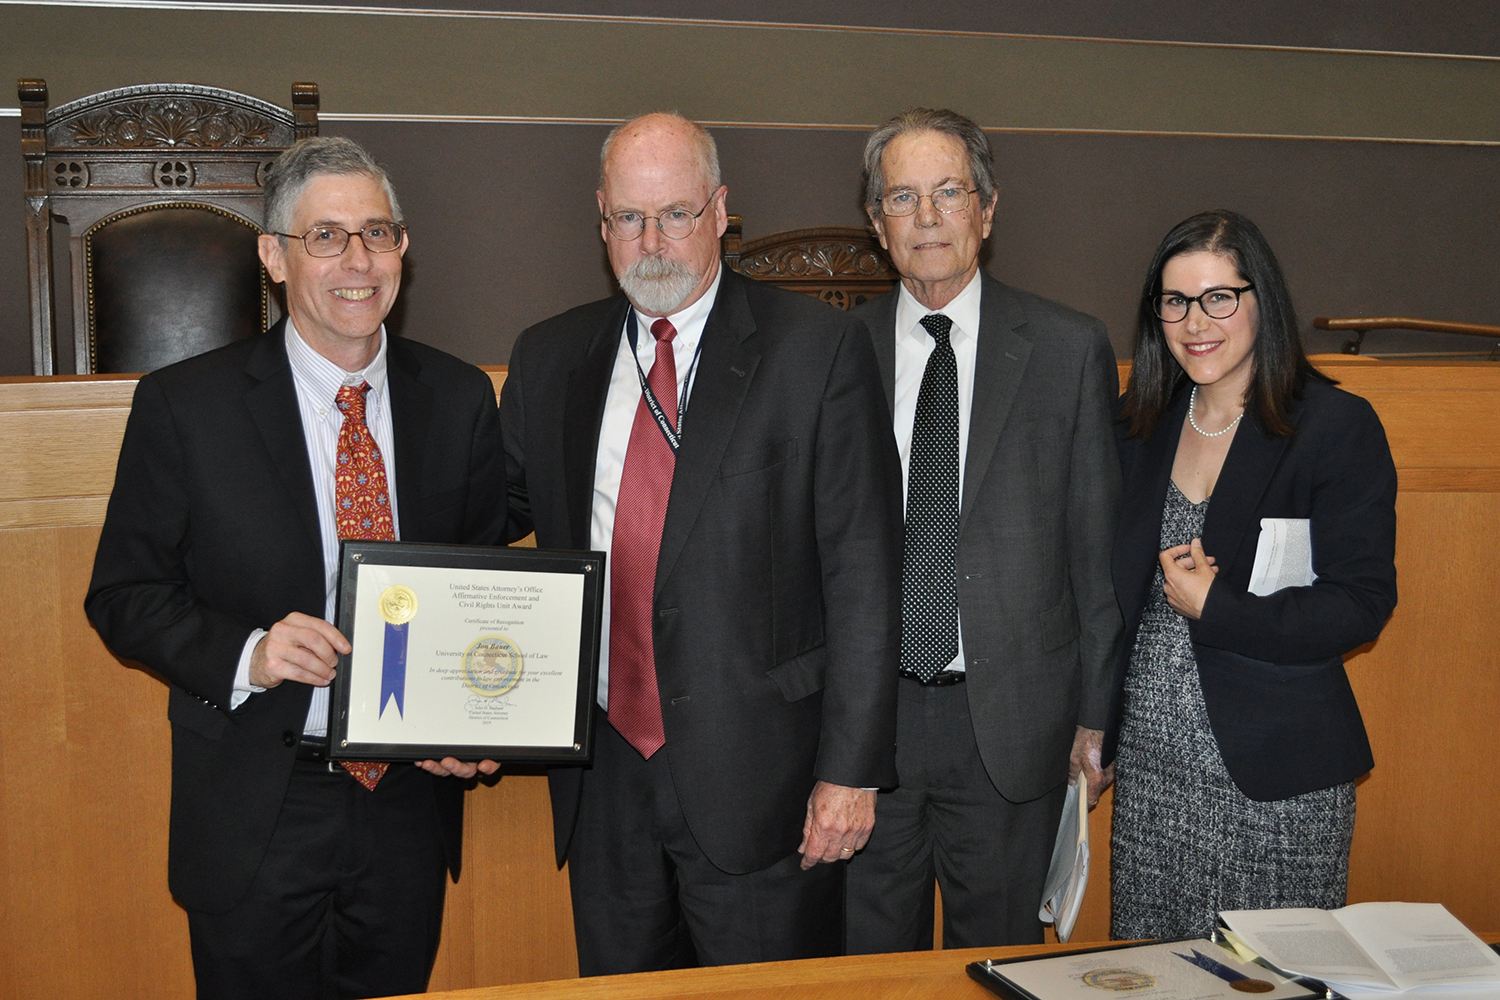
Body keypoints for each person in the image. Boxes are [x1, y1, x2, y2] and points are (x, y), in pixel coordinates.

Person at [84, 136, 505, 999]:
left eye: (377, 233)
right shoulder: (185, 407)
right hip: (257, 799)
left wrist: (472, 723)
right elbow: (124, 596)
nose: (358, 260)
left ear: (402, 249)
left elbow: (480, 588)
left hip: (405, 805)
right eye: (327, 236)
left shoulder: (459, 400)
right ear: (275, 257)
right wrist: (252, 655)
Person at [499, 112, 902, 974]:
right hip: (603, 778)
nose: (653, 242)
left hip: (769, 784)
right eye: (630, 219)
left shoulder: (816, 350)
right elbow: (488, 529)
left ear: (721, 211)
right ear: (600, 218)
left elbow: (866, 573)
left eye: (677, 214)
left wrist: (851, 773)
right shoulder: (548, 358)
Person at [844, 107, 1125, 952]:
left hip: (1012, 728)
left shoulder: (1068, 351)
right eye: (902, 196)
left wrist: (1095, 711)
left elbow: (1096, 550)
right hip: (869, 728)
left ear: (988, 211)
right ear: (875, 222)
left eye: (949, 193)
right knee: (867, 967)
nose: (926, 218)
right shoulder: (829, 353)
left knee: (998, 964)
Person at [1107, 209, 1398, 939]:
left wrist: (1220, 606)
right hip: (1153, 777)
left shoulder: (1332, 426)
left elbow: (1360, 603)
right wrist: (1092, 725)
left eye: (1218, 298)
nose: (1195, 322)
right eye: (1175, 301)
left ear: (1261, 299)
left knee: (1269, 978)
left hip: (1277, 781)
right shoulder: (1138, 426)